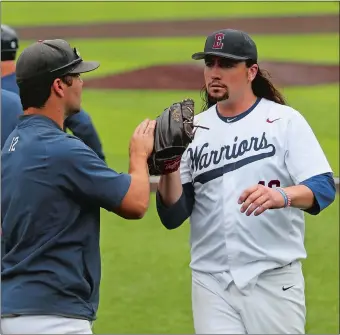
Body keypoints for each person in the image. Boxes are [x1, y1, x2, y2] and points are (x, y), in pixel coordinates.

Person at [155, 29, 336, 334]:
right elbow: (172, 215)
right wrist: (169, 166)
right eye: (209, 63)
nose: (214, 72)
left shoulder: (284, 121)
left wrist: (283, 196)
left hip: (274, 280)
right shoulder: (193, 131)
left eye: (226, 64)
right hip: (211, 282)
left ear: (251, 71)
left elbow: (323, 187)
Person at [1, 39, 155, 334]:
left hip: (15, 307)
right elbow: (136, 203)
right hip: (52, 316)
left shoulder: (13, 144)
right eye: (78, 76)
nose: (82, 83)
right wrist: (139, 154)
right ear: (59, 85)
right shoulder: (62, 150)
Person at [1, 24, 106, 161]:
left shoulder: (9, 95)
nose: (80, 82)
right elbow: (83, 124)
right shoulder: (37, 80)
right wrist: (97, 163)